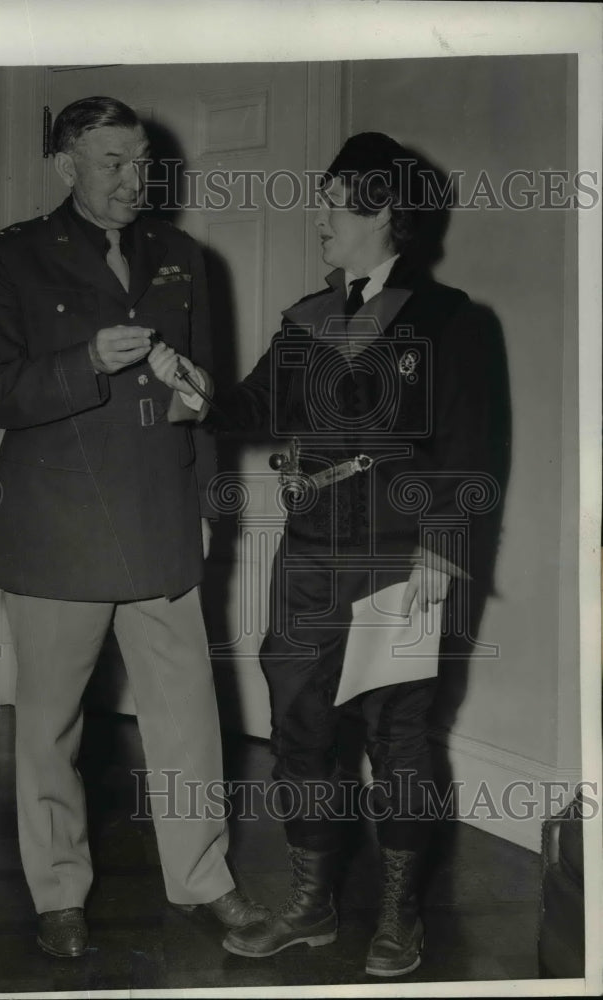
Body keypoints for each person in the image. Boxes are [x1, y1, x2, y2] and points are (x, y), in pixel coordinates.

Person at [149, 131, 505, 976]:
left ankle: (399, 917)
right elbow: (248, 408)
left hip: (398, 556)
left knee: (400, 735)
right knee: (300, 728)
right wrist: (191, 389)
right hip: (309, 551)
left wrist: (441, 556)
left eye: (333, 202)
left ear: (382, 212)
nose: (318, 217)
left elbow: (474, 450)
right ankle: (312, 906)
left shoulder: (452, 321)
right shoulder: (309, 319)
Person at [0, 96, 267, 959]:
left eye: (143, 162)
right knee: (50, 726)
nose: (136, 180)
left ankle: (205, 880)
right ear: (67, 165)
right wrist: (85, 362)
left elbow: (203, 404)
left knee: (187, 720)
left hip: (159, 517)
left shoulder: (183, 258)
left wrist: (205, 495)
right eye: (113, 163)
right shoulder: (9, 257)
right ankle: (58, 893)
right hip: (53, 526)